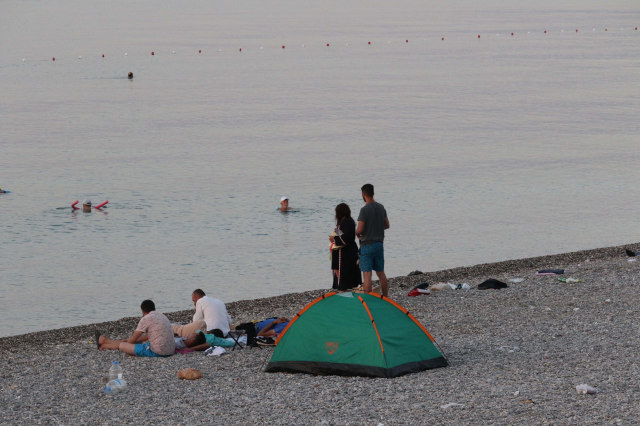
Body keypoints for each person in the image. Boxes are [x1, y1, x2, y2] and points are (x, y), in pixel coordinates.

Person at [97, 300, 175, 357]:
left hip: (158, 352)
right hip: (170, 351)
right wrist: (134, 340)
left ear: (143, 311)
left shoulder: (146, 318)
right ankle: (105, 341)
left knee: (123, 345)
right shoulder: (162, 316)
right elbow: (151, 335)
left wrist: (127, 341)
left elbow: (131, 340)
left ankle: (104, 345)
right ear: (154, 308)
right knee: (136, 342)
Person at [356, 184, 390, 296]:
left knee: (367, 275)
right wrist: (377, 228)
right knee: (381, 274)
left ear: (363, 194)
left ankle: (368, 300)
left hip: (367, 246)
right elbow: (387, 225)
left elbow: (359, 229)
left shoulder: (364, 210)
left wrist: (357, 233)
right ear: (373, 193)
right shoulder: (381, 207)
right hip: (379, 244)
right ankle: (386, 297)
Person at [329, 203, 362, 291]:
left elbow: (348, 237)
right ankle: (341, 286)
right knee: (337, 269)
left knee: (344, 271)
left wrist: (334, 239)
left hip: (346, 252)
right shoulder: (343, 221)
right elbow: (342, 234)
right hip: (341, 250)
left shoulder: (348, 221)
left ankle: (344, 288)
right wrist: (335, 234)